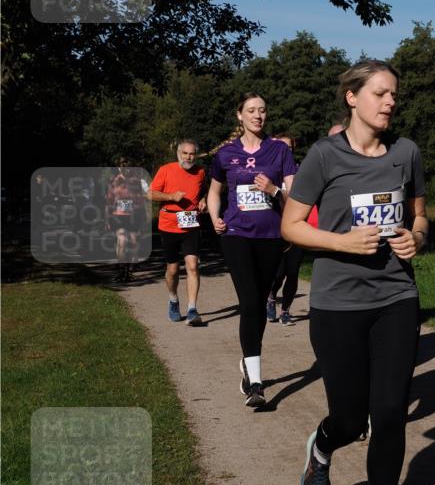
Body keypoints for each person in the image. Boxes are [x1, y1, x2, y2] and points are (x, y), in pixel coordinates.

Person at [282, 60, 428, 485]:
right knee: (351, 418)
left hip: (395, 298)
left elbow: (420, 215)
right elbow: (292, 226)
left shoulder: (406, 153)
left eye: (394, 95)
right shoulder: (324, 156)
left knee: (389, 415)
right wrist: (340, 241)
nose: (390, 102)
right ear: (352, 98)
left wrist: (418, 236)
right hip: (337, 304)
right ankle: (322, 448)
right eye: (381, 94)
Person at [208, 93, 297, 408]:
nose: (258, 115)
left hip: (271, 235)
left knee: (259, 303)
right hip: (236, 233)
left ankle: (248, 363)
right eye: (251, 110)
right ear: (239, 116)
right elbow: (214, 192)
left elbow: (295, 197)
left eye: (262, 110)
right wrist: (214, 216)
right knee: (248, 301)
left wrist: (273, 190)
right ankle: (256, 383)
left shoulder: (280, 150)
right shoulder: (225, 154)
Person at [148, 141, 208, 324]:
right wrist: (170, 197)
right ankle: (173, 299)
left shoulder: (200, 172)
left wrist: (203, 200)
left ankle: (192, 309)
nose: (188, 157)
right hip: (169, 224)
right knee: (173, 269)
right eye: (184, 153)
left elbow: (204, 190)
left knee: (192, 265)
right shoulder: (166, 170)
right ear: (178, 153)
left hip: (191, 225)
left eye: (191, 154)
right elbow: (150, 194)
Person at [266, 132, 303, 325]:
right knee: (279, 272)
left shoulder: (299, 171)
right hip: (274, 229)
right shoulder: (268, 171)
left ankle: (286, 310)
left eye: (289, 147)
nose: (286, 151)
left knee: (293, 271)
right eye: (282, 146)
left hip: (296, 227)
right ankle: (271, 296)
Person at [106, 162, 148, 282]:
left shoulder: (136, 181)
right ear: (120, 168)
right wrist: (107, 218)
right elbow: (109, 200)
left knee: (134, 242)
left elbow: (141, 201)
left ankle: (129, 270)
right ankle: (122, 270)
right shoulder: (114, 180)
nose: (126, 169)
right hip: (118, 216)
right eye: (123, 167)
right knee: (122, 242)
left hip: (134, 216)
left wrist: (144, 218)